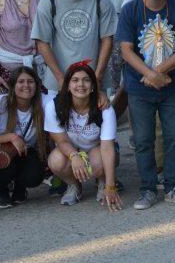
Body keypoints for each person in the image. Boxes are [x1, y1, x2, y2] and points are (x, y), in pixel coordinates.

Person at [117, 0, 175, 210]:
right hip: (139, 87)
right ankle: (148, 189)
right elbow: (125, 50)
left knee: (174, 137)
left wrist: (158, 72)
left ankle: (173, 186)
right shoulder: (130, 10)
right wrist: (148, 75)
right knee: (143, 139)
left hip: (171, 86)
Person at [30, 0, 117, 93]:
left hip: (92, 80)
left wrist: (98, 76)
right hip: (58, 82)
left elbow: (107, 39)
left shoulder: (102, 0)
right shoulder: (49, 1)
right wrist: (60, 79)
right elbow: (42, 42)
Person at [45, 62, 121, 210]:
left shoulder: (104, 109)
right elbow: (61, 141)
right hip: (70, 150)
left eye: (86, 80)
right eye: (75, 80)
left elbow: (107, 147)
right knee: (55, 160)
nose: (81, 84)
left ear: (93, 86)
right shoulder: (54, 106)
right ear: (67, 85)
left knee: (99, 161)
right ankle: (74, 185)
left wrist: (111, 186)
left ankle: (102, 181)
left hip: (96, 150)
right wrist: (74, 156)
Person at [0, 67, 49, 208]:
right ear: (12, 86)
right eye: (21, 82)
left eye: (30, 81)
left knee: (34, 175)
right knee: (3, 167)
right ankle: (1, 188)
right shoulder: (1, 105)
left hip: (25, 153)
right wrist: (10, 137)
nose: (26, 85)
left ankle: (20, 187)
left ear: (37, 85)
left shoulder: (42, 104)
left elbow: (65, 99)